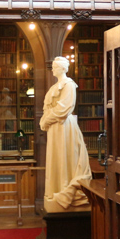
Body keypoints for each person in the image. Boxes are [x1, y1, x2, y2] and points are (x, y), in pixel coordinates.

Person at [40, 56, 91, 211]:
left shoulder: (68, 85)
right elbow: (47, 108)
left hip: (64, 127)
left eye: (55, 67)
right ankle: (55, 190)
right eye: (53, 66)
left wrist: (46, 119)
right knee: (56, 158)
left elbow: (64, 108)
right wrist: (45, 119)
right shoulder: (54, 87)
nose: (53, 69)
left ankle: (64, 188)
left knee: (64, 157)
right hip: (54, 129)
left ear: (62, 68)